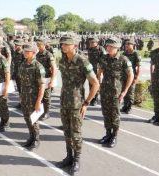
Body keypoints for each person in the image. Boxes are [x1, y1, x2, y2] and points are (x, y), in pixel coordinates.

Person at [56, 35, 99, 176]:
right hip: (64, 102)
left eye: (66, 44)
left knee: (76, 133)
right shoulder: (62, 61)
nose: (63, 46)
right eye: (62, 44)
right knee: (67, 132)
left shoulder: (82, 61)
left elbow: (95, 83)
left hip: (77, 104)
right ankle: (69, 157)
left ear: (74, 45)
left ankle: (77, 160)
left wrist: (86, 102)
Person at [97, 37, 134, 148]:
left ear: (116, 48)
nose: (107, 48)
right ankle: (108, 134)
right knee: (106, 114)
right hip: (104, 91)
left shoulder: (123, 60)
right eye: (107, 46)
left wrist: (125, 91)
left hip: (116, 93)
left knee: (115, 116)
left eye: (110, 47)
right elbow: (99, 72)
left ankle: (114, 136)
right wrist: (99, 84)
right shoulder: (104, 58)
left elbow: (130, 76)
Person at [18, 43, 45, 150]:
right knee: (27, 118)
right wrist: (20, 95)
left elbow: (42, 85)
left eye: (27, 52)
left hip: (33, 97)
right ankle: (31, 136)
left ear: (34, 53)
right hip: (24, 96)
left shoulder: (38, 66)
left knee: (34, 119)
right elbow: (21, 81)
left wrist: (39, 101)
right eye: (24, 51)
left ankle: (36, 139)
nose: (25, 53)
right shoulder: (23, 64)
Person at [35, 38, 57, 120]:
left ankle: (47, 113)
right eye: (37, 45)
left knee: (46, 97)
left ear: (44, 45)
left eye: (39, 45)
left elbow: (54, 68)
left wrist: (52, 80)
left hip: (47, 78)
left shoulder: (48, 55)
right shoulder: (37, 55)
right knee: (39, 95)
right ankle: (41, 111)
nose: (38, 46)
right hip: (39, 78)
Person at [121, 39, 141, 114]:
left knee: (130, 92)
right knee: (124, 90)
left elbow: (138, 67)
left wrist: (136, 78)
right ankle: (125, 106)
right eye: (126, 44)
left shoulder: (136, 54)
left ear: (133, 45)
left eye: (129, 44)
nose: (126, 45)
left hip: (132, 76)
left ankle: (129, 107)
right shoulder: (124, 53)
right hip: (124, 76)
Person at [87, 37, 106, 106]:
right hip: (91, 69)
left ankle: (95, 99)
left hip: (98, 69)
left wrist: (100, 68)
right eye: (90, 42)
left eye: (92, 42)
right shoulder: (90, 49)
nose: (91, 44)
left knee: (97, 83)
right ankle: (91, 97)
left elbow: (104, 59)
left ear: (96, 43)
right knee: (90, 83)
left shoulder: (101, 49)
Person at [11, 39, 25, 109]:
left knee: (23, 90)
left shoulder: (24, 53)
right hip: (16, 74)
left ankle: (24, 103)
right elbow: (14, 63)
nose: (16, 46)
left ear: (21, 45)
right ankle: (21, 102)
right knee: (19, 90)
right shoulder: (15, 52)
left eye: (17, 45)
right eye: (15, 44)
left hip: (23, 75)